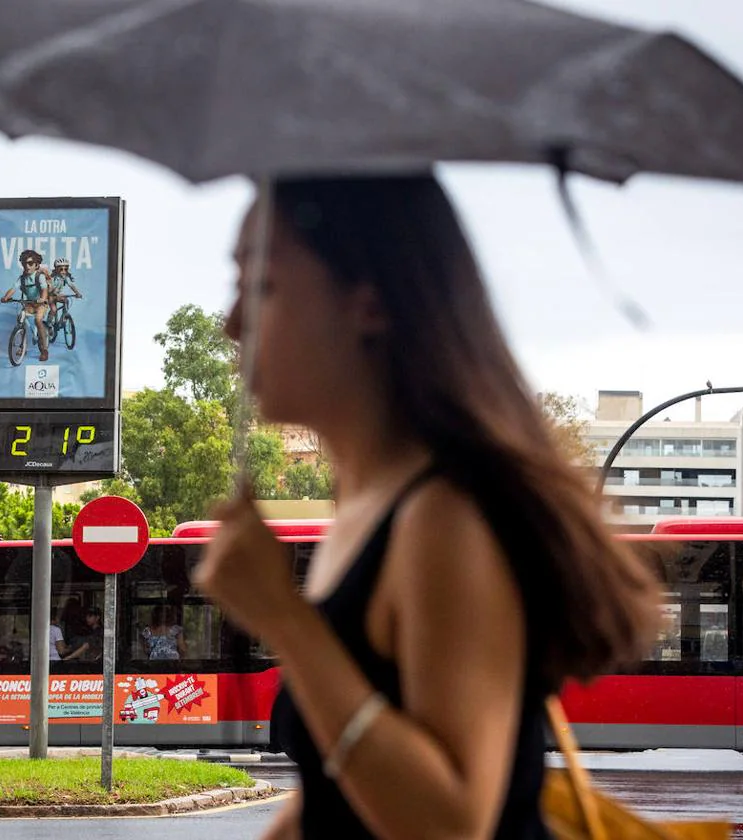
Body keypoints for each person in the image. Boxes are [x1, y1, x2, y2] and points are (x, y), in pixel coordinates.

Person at [193, 175, 661, 839]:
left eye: (262, 287)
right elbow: (343, 793)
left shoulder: (442, 519)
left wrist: (284, 619)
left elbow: (449, 823)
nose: (232, 324)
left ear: (370, 304)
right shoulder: (363, 505)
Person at [0, 249, 51, 361]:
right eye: (25, 263)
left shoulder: (39, 276)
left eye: (30, 263)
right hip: (29, 304)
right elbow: (13, 289)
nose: (27, 266)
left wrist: (42, 299)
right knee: (20, 318)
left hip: (40, 304)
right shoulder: (22, 279)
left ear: (36, 265)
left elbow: (44, 289)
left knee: (38, 320)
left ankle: (44, 349)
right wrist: (6, 297)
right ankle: (22, 346)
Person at [48, 257, 83, 328]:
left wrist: (77, 293)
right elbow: (49, 289)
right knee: (54, 309)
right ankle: (49, 322)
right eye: (61, 269)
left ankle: (63, 318)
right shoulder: (53, 278)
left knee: (66, 301)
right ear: (56, 269)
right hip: (50, 296)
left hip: (57, 295)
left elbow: (71, 285)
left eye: (65, 269)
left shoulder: (65, 278)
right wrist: (55, 293)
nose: (63, 271)